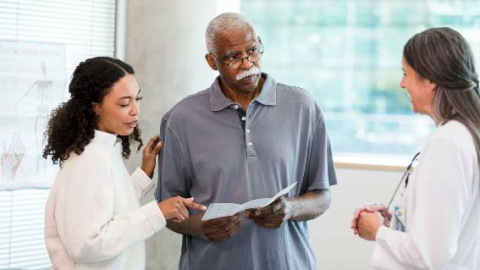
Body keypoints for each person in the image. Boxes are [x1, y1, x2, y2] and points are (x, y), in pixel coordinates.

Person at [155, 13, 337, 269]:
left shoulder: (303, 107)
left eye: (252, 51)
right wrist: (199, 226)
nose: (247, 63)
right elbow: (167, 210)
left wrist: (290, 208)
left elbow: (322, 195)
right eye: (232, 57)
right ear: (211, 61)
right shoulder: (180, 119)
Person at [43, 57, 206, 269]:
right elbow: (85, 244)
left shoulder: (103, 148)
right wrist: (158, 212)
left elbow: (109, 211)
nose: (135, 110)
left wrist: (143, 175)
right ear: (95, 107)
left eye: (137, 99)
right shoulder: (89, 159)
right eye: (124, 103)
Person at [351, 27, 480, 269]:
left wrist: (377, 231)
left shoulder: (447, 142)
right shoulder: (466, 135)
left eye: (405, 73)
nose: (402, 84)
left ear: (430, 80)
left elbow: (431, 255)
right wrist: (399, 217)